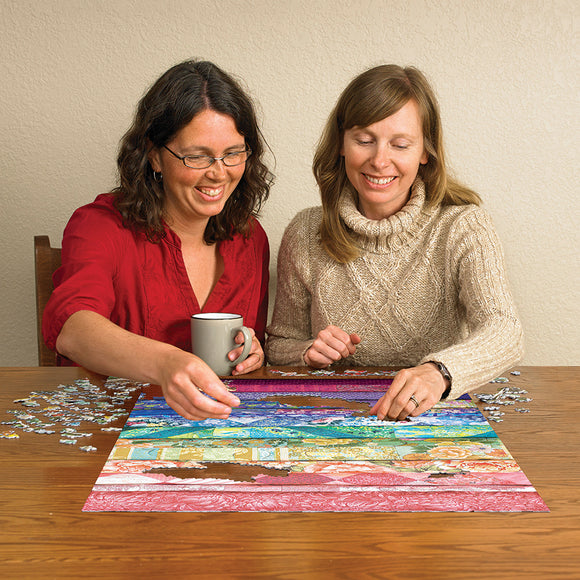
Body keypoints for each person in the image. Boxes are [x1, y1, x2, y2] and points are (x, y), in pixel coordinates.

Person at [266, 64, 523, 421]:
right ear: (341, 143)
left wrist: (439, 373)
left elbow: (505, 330)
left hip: (431, 419)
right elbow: (279, 346)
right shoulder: (305, 231)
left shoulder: (464, 226)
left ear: (425, 152)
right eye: (364, 140)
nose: (379, 160)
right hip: (334, 419)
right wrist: (309, 351)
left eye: (400, 144)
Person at [43, 60, 273, 421]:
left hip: (219, 433)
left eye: (233, 153)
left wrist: (253, 350)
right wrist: (166, 363)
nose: (218, 172)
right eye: (196, 156)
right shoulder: (99, 226)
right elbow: (73, 329)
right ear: (154, 155)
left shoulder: (250, 238)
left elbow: (248, 346)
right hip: (112, 431)